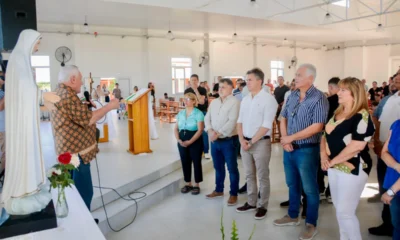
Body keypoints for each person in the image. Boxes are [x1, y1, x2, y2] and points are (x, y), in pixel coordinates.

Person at [47, 65, 119, 211]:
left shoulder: (60, 92)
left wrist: (83, 106)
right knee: (83, 192)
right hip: (76, 154)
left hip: (68, 151)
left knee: (73, 189)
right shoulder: (67, 96)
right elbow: (89, 119)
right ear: (72, 79)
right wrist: (110, 106)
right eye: (80, 79)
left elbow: (72, 116)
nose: (81, 83)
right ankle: (84, 227)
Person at [273, 64, 328, 240]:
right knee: (292, 184)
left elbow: (317, 126)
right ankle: (292, 215)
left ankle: (311, 223)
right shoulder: (293, 95)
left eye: (299, 75)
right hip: (289, 149)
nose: (295, 78)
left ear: (310, 79)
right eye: (295, 74)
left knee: (310, 188)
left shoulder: (319, 98)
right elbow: (283, 117)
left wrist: (292, 137)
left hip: (307, 149)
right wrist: (284, 138)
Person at [1, 30, 52, 216]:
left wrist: (42, 97)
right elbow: (25, 90)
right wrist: (43, 95)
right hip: (22, 123)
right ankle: (23, 188)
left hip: (26, 119)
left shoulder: (21, 60)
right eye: (38, 42)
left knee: (29, 151)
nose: (38, 46)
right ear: (29, 41)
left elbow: (27, 89)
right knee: (25, 152)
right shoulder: (18, 60)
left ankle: (31, 185)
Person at [321, 77, 375, 240]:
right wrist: (324, 155)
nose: (339, 92)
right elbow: (325, 135)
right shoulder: (338, 112)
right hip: (333, 166)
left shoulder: (361, 116)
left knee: (345, 213)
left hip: (354, 167)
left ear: (355, 93)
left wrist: (333, 160)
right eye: (339, 89)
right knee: (340, 210)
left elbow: (357, 146)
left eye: (343, 90)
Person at [236, 68, 278, 220]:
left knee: (262, 175)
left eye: (250, 79)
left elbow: (266, 125)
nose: (247, 82)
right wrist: (242, 140)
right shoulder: (246, 99)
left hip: (260, 143)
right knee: (249, 175)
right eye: (246, 79)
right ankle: (251, 201)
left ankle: (262, 205)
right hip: (245, 142)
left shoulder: (269, 100)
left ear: (259, 81)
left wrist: (251, 141)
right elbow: (239, 121)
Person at [369, 73, 400, 237]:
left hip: (397, 152)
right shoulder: (389, 99)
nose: (395, 82)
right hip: (386, 150)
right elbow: (376, 116)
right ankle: (388, 223)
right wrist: (377, 140)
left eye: (398, 80)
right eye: (395, 80)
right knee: (385, 186)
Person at [205, 78, 240, 206]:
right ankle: (219, 190)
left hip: (228, 140)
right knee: (218, 167)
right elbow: (207, 117)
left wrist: (217, 133)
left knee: (232, 168)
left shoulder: (235, 102)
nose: (220, 89)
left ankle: (233, 193)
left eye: (223, 87)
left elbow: (232, 122)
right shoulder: (214, 102)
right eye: (219, 87)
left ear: (231, 88)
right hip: (215, 141)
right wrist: (209, 131)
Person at [174, 93, 204, 195]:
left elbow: (200, 130)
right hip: (182, 139)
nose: (185, 101)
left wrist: (190, 141)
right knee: (185, 161)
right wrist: (178, 139)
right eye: (184, 99)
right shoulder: (181, 113)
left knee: (196, 162)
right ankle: (188, 183)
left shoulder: (198, 113)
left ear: (194, 101)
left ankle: (196, 184)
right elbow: (176, 128)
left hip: (194, 139)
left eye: (188, 99)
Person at [380, 119, 400, 240]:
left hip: (395, 188)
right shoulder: (396, 124)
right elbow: (384, 152)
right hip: (394, 182)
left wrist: (391, 191)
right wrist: (397, 166)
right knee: (397, 224)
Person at [184, 74, 210, 159]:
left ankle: (206, 151)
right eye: (192, 80)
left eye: (195, 80)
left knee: (203, 132)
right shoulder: (187, 90)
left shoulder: (202, 89)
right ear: (190, 81)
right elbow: (186, 103)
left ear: (198, 80)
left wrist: (195, 90)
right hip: (191, 112)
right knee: (191, 131)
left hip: (201, 112)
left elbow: (202, 102)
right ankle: (191, 150)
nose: (194, 81)